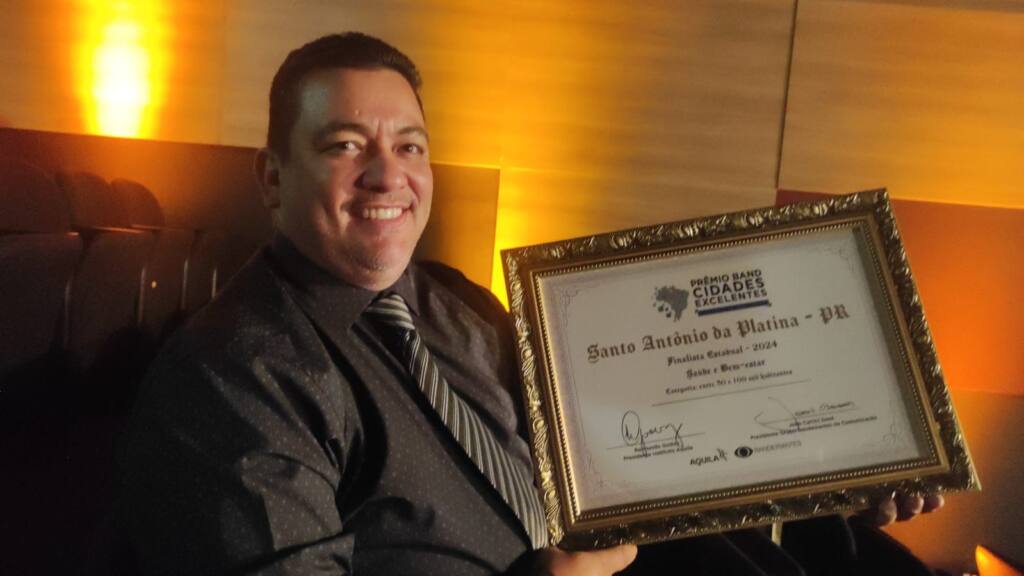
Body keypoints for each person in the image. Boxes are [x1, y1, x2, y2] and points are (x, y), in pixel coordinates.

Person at [114, 32, 942, 575]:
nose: (387, 174)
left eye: (409, 145)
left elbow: (629, 440)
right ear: (272, 177)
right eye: (344, 145)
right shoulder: (235, 376)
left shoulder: (454, 301)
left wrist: (829, 467)